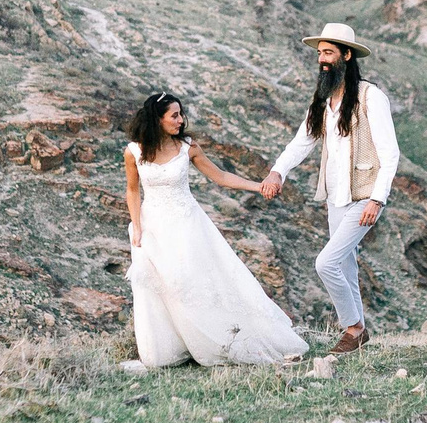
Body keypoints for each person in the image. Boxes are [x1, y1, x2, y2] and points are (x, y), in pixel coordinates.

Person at [122, 91, 308, 368]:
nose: (181, 120)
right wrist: (136, 227)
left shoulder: (188, 148)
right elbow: (133, 190)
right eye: (174, 115)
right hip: (154, 228)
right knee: (165, 287)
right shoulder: (134, 151)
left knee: (193, 283)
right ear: (157, 119)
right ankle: (175, 345)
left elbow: (221, 177)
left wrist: (258, 186)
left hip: (188, 226)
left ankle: (216, 340)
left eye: (181, 114)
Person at [257, 22, 398, 355]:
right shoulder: (321, 100)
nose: (322, 59)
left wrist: (378, 200)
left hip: (365, 197)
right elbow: (301, 142)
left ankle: (352, 328)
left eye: (328, 52)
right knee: (345, 264)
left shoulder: (370, 97)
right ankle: (358, 335)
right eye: (320, 52)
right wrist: (278, 171)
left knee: (326, 263)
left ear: (346, 56)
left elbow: (390, 153)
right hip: (335, 196)